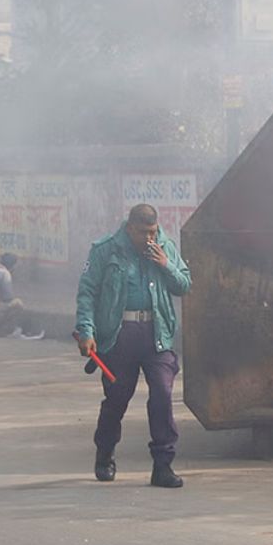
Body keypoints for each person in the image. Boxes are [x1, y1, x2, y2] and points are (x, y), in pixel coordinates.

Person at [74, 203, 192, 489]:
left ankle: (163, 465)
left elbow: (184, 285)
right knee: (116, 399)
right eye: (143, 233)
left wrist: (166, 265)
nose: (149, 239)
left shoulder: (165, 247)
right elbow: (88, 292)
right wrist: (87, 331)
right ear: (130, 228)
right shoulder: (106, 250)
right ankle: (105, 453)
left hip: (157, 333)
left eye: (153, 232)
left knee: (163, 395)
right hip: (120, 335)